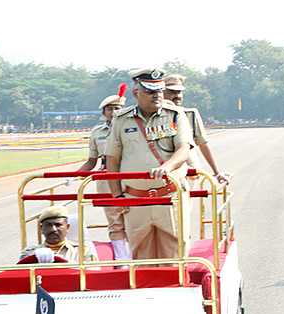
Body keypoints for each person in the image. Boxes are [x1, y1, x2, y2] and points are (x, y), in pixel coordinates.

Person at [104, 68, 193, 260]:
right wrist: (117, 196)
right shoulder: (121, 119)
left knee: (175, 254)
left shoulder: (175, 115)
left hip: (169, 196)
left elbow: (183, 149)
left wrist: (167, 167)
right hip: (135, 200)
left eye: (160, 90)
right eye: (150, 91)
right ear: (136, 93)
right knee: (140, 256)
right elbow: (112, 160)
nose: (157, 95)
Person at [76, 86, 130, 260]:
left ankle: (137, 259)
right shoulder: (97, 132)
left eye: (117, 109)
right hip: (106, 179)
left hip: (130, 177)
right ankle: (122, 261)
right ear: (104, 112)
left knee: (134, 219)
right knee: (115, 222)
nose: (113, 112)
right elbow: (92, 161)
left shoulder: (131, 127)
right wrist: (74, 175)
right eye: (109, 109)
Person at [162, 74, 228, 185]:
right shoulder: (155, 116)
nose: (177, 95)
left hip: (188, 163)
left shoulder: (190, 114)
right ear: (162, 93)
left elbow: (204, 144)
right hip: (164, 164)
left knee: (191, 182)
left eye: (179, 92)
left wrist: (218, 173)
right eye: (172, 92)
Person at [20, 205, 99, 263]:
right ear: (41, 229)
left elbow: (92, 275)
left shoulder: (82, 250)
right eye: (48, 225)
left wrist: (72, 267)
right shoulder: (30, 253)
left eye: (58, 225)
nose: (53, 229)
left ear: (67, 227)